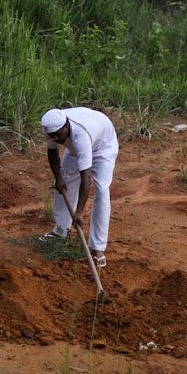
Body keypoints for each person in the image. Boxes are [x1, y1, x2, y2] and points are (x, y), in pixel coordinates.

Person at [39, 107, 119, 268]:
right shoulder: (50, 128)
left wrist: (80, 212)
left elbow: (85, 178)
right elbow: (53, 154)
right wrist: (59, 178)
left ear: (66, 126)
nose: (55, 138)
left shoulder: (81, 137)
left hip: (102, 146)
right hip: (76, 147)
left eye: (58, 135)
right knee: (63, 184)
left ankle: (97, 248)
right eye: (52, 136)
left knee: (102, 190)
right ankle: (61, 231)